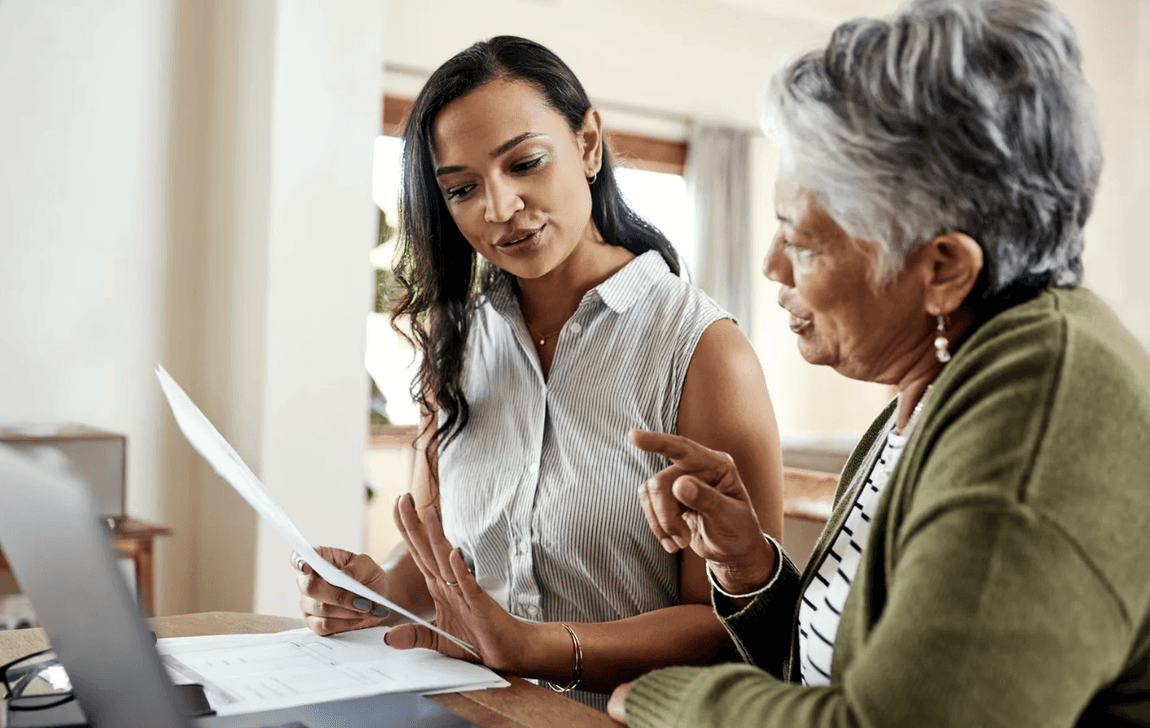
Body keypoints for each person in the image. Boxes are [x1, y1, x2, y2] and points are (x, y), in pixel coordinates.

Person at [607, 0, 1150, 725]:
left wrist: (660, 697)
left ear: (943, 269)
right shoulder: (932, 386)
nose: (772, 266)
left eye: (800, 240)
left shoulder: (1043, 410)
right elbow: (843, 676)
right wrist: (748, 568)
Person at [293, 36, 784, 710]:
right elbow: (445, 556)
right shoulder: (455, 340)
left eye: (524, 163)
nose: (498, 209)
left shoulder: (703, 350)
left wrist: (533, 645)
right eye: (462, 189)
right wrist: (374, 592)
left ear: (587, 145)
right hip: (466, 712)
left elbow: (735, 624)